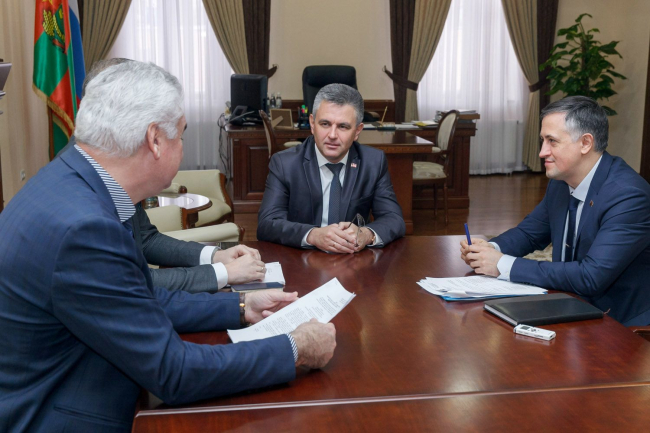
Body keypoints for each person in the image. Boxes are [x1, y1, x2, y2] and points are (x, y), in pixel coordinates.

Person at [0, 61, 336, 432]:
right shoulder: (85, 229)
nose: (182, 146)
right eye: (181, 135)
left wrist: (241, 306)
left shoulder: (75, 180)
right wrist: (295, 348)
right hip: (63, 414)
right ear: (155, 140)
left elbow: (137, 298)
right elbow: (173, 372)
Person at [58, 57, 260, 293]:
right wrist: (225, 275)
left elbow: (146, 239)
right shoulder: (79, 199)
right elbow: (129, 285)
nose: (180, 146)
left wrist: (216, 256)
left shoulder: (111, 169)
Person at [460, 96, 650, 325]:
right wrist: (490, 249)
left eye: (552, 141)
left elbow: (591, 276)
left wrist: (502, 264)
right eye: (543, 140)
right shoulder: (561, 181)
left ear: (585, 143)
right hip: (569, 303)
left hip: (619, 324)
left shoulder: (628, 196)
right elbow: (530, 233)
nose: (542, 152)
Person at [257, 83, 405, 253]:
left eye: (343, 126)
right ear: (312, 123)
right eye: (325, 124)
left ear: (357, 131)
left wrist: (366, 234)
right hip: (301, 257)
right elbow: (267, 224)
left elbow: (394, 219)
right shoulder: (285, 164)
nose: (332, 135)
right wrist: (313, 235)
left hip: (353, 259)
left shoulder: (373, 162)